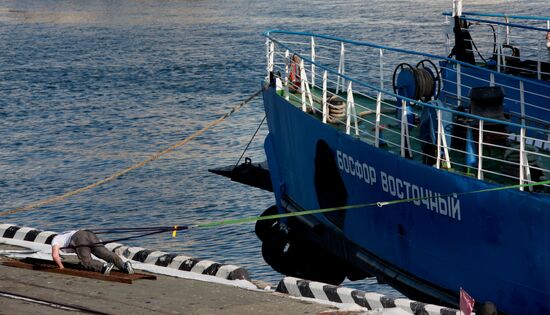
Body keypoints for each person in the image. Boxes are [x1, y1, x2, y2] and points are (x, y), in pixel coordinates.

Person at [51, 229, 134, 275]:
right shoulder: (64, 234)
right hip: (88, 233)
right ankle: (124, 266)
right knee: (106, 254)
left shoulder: (55, 240)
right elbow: (79, 250)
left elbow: (55, 256)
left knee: (86, 262)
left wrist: (61, 267)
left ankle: (104, 266)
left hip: (79, 238)